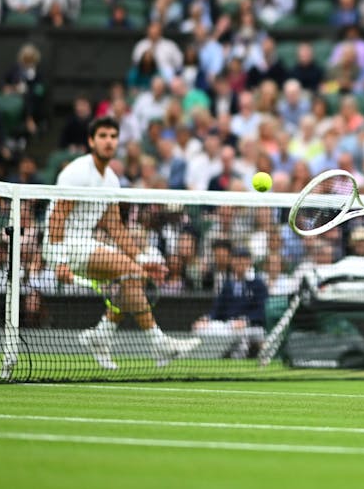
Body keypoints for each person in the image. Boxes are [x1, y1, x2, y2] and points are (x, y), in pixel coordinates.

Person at [43, 116, 199, 370]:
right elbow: (58, 216)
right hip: (61, 244)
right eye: (103, 136)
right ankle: (158, 344)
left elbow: (115, 227)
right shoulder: (77, 172)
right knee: (130, 273)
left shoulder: (112, 180)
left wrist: (142, 260)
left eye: (113, 137)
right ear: (91, 140)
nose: (109, 141)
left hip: (85, 243)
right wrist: (59, 260)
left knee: (131, 279)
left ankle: (102, 335)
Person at [192, 246, 268, 359]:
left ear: (249, 261)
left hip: (252, 327)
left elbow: (261, 311)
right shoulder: (228, 284)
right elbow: (218, 308)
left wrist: (246, 321)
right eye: (236, 259)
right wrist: (207, 318)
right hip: (228, 326)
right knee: (199, 328)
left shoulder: (258, 284)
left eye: (242, 259)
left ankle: (241, 359)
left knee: (245, 336)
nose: (239, 262)